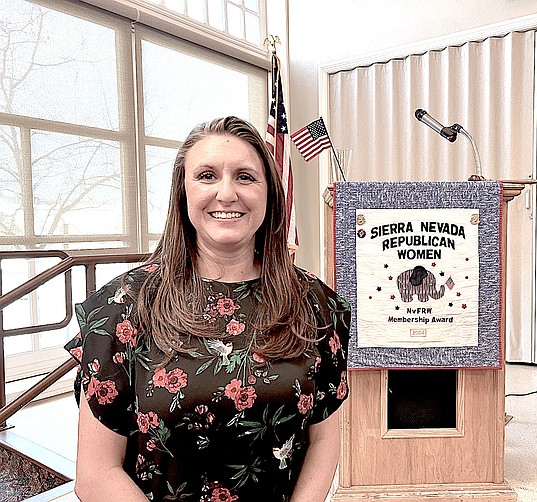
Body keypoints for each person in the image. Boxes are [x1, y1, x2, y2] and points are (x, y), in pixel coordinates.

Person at [65, 116, 351, 502]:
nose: (227, 193)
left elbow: (323, 441)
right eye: (207, 175)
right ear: (183, 193)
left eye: (245, 177)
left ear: (270, 193)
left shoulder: (316, 305)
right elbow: (97, 475)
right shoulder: (123, 307)